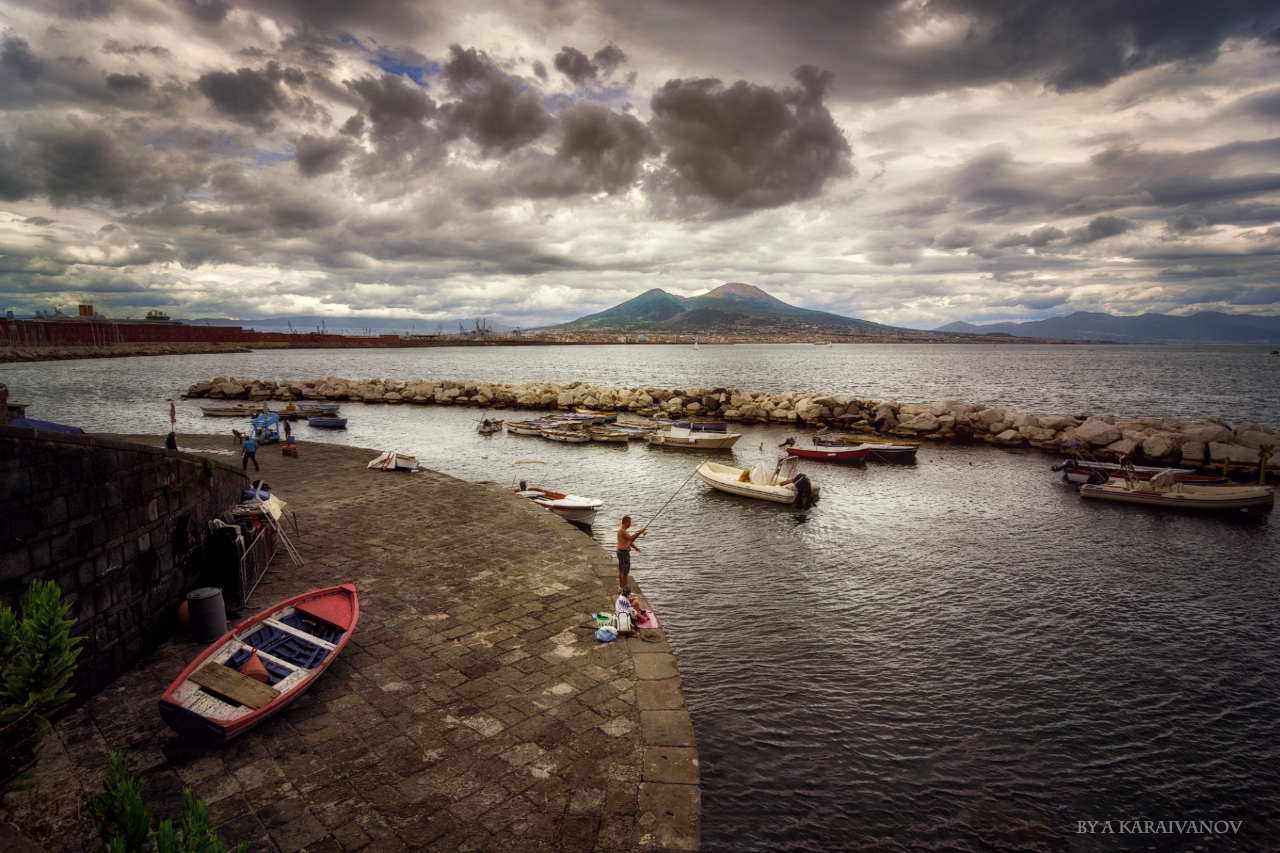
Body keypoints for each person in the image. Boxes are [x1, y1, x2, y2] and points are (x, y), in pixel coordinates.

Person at [616, 516, 645, 590]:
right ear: (626, 522)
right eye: (630, 523)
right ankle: (624, 589)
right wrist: (638, 532)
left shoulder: (624, 531)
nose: (630, 524)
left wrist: (635, 547)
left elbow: (628, 541)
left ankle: (621, 587)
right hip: (623, 553)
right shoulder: (622, 531)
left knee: (621, 570)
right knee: (624, 571)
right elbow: (631, 538)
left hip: (621, 552)